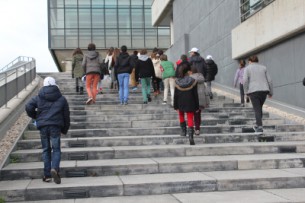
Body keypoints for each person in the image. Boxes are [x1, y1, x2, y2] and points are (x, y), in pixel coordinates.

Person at [25, 77, 70, 184]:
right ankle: (55, 168)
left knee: (46, 150)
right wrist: (64, 129)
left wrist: (36, 116)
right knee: (56, 149)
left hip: (43, 126)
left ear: (44, 85)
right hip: (55, 127)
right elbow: (66, 116)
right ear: (55, 85)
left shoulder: (38, 97)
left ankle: (47, 175)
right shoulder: (62, 99)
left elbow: (28, 106)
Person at [243, 55, 273, 133]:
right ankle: (258, 124)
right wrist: (271, 92)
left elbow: (245, 81)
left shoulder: (247, 68)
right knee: (259, 108)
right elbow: (269, 80)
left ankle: (259, 127)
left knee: (257, 109)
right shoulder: (264, 68)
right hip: (264, 91)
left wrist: (246, 92)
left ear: (250, 61)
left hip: (253, 91)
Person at [174, 62, 199, 145]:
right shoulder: (193, 81)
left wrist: (175, 105)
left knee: (181, 114)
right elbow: (196, 94)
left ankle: (183, 131)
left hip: (180, 101)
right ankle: (191, 136)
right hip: (190, 101)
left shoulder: (177, 81)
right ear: (188, 71)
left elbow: (175, 95)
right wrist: (197, 106)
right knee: (190, 117)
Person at [190, 66, 210, 136]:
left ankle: (193, 129)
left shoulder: (190, 79)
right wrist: (207, 102)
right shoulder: (201, 78)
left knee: (191, 115)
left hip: (192, 99)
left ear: (191, 71)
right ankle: (197, 129)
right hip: (201, 100)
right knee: (198, 115)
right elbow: (206, 91)